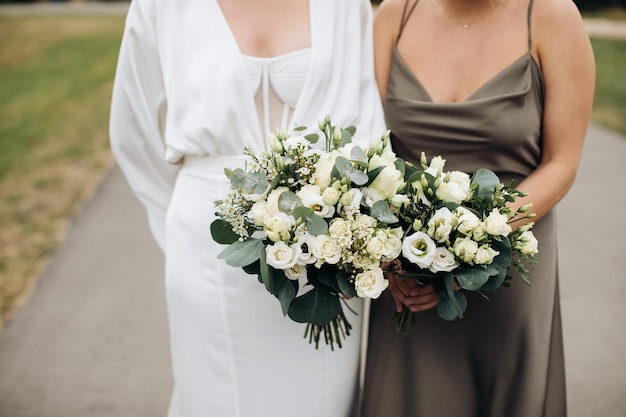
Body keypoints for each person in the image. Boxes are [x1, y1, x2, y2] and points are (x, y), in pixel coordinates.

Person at [109, 0, 386, 416]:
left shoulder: (345, 6)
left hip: (327, 249)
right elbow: (135, 134)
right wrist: (191, 217)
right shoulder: (161, 6)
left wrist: (338, 221)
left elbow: (367, 127)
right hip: (208, 253)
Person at [362, 0, 594, 416]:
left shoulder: (552, 16)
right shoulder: (394, 16)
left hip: (504, 266)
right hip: (405, 274)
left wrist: (465, 249)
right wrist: (391, 258)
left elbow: (562, 164)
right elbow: (368, 151)